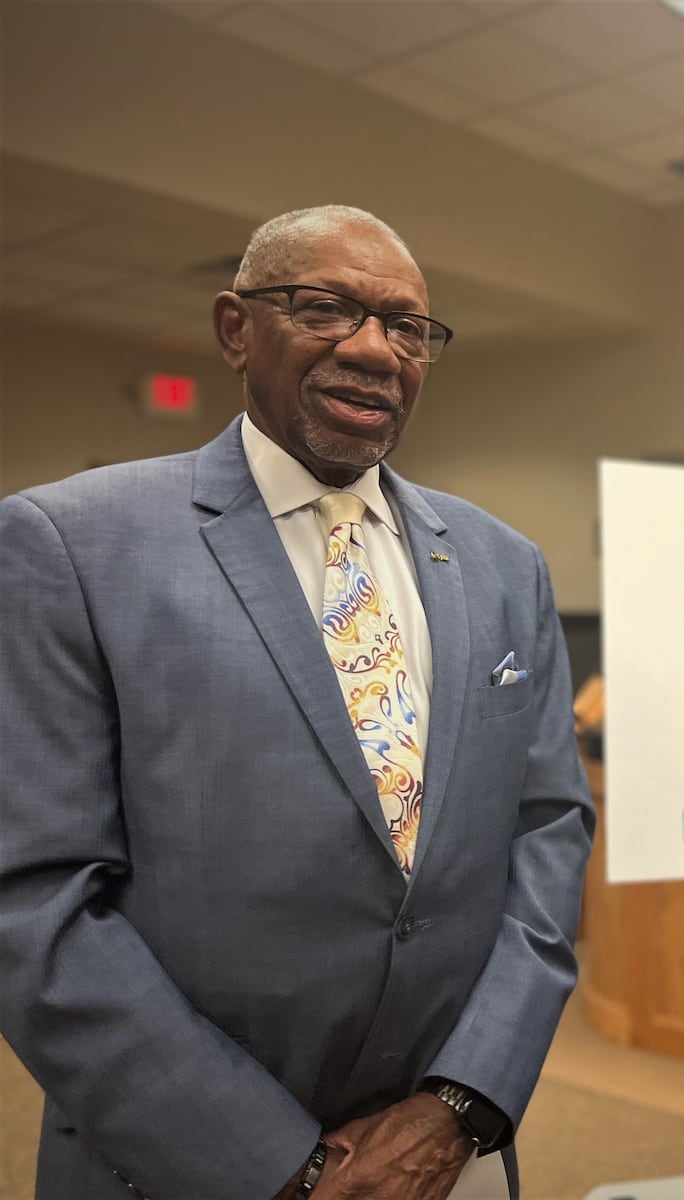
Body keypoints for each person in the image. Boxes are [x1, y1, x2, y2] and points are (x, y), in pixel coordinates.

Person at [0, 206, 594, 1200]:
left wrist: (459, 1103)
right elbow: (35, 900)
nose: (375, 349)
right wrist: (274, 1163)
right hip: (185, 1164)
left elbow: (550, 830)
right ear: (237, 329)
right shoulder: (68, 547)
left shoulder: (504, 565)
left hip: (448, 1153)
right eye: (325, 309)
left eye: (407, 327)